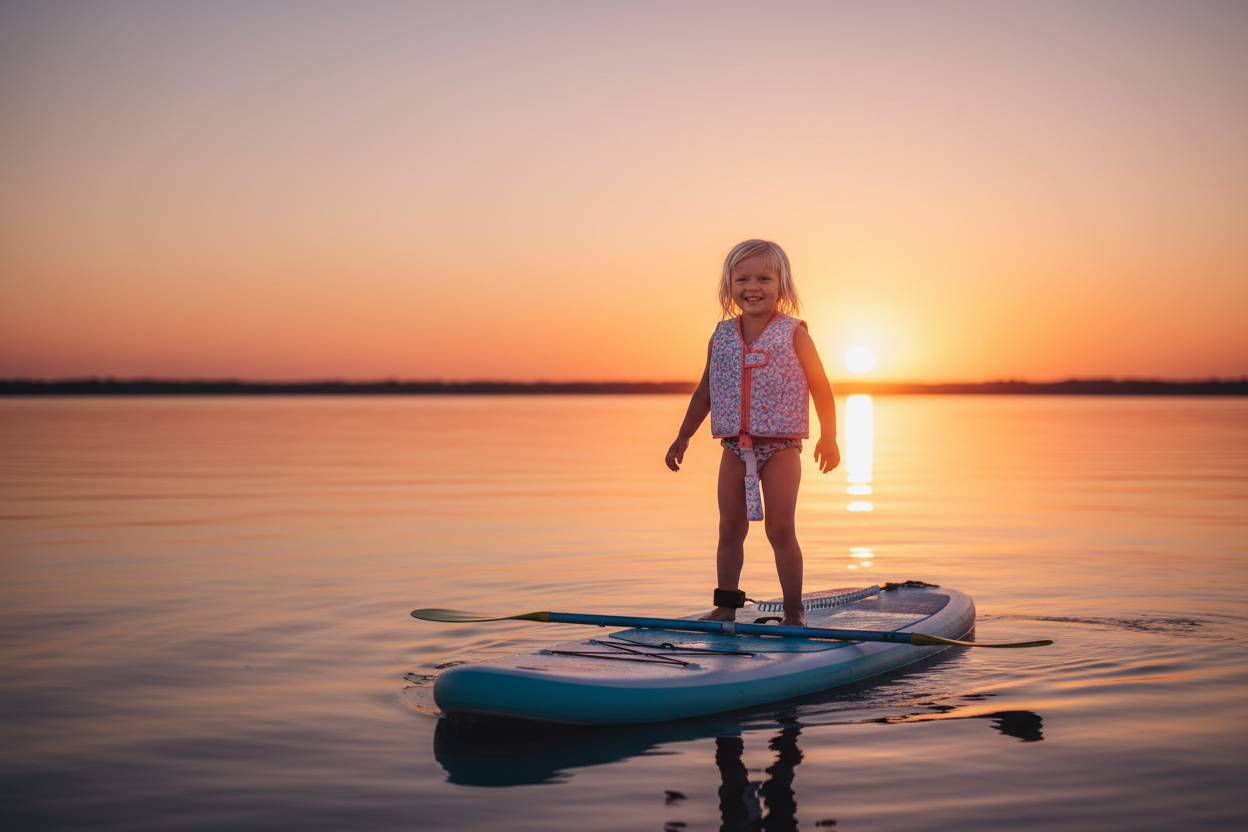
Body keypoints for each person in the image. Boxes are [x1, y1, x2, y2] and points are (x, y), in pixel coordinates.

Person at [665, 240, 840, 627]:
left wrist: (830, 436)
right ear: (729, 286)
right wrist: (684, 436)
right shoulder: (722, 335)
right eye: (742, 279)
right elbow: (705, 391)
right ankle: (727, 605)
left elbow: (821, 387)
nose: (752, 286)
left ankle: (793, 612)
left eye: (764, 277)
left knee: (780, 529)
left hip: (781, 449)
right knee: (729, 528)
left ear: (782, 285)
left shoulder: (795, 334)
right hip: (734, 448)